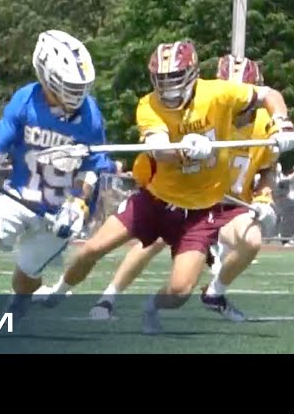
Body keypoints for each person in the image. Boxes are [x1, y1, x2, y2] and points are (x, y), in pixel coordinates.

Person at [41, 41, 294, 334]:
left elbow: (270, 95)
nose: (168, 86)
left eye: (175, 77)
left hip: (201, 211)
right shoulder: (148, 105)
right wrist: (185, 151)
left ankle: (152, 306)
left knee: (179, 291)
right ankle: (59, 291)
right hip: (157, 199)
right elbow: (160, 150)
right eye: (161, 79)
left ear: (192, 73)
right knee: (92, 249)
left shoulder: (219, 93)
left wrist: (282, 123)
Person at [87, 55, 279, 322]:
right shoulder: (207, 110)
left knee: (252, 240)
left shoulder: (264, 124)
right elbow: (163, 151)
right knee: (153, 239)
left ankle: (214, 293)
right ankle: (109, 297)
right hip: (193, 196)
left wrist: (264, 197)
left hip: (231, 206)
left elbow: (268, 167)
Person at [0, 30, 109, 318]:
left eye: (80, 86)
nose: (77, 94)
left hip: (60, 209)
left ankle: (21, 299)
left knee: (25, 277)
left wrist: (78, 204)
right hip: (19, 195)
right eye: (70, 86)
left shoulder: (90, 116)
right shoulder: (26, 100)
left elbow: (91, 169)